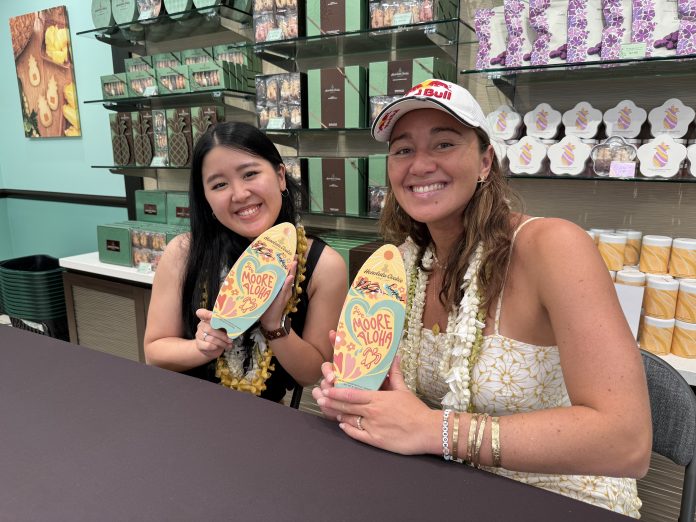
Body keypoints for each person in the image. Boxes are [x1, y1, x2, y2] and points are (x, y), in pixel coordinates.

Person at [312, 80, 651, 517]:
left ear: (485, 161)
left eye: (444, 143)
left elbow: (626, 441)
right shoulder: (399, 264)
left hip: (561, 497)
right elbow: (408, 409)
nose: (420, 165)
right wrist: (361, 395)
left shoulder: (553, 247)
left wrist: (434, 430)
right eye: (402, 150)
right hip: (443, 488)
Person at [145, 122, 347, 402]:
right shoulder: (183, 252)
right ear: (206, 198)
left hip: (267, 422)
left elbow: (310, 373)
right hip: (187, 410)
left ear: (279, 176)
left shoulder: (323, 266)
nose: (239, 194)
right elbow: (154, 351)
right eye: (219, 184)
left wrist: (274, 324)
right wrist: (201, 348)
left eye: (250, 173)